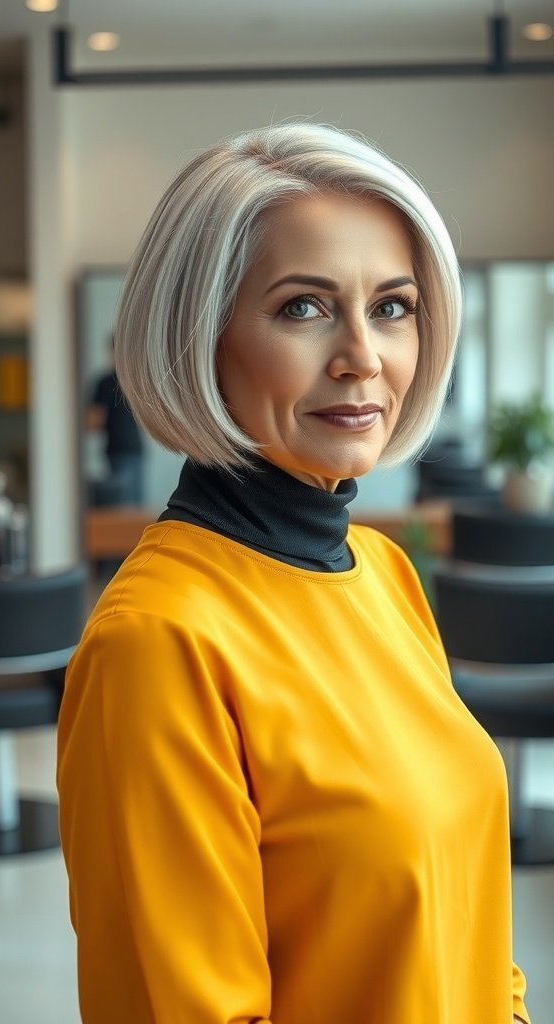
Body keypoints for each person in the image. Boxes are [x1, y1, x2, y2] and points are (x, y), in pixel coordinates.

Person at [57, 122, 530, 1024]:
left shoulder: (383, 573)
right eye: (303, 307)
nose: (363, 356)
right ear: (200, 335)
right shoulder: (158, 645)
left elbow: (465, 920)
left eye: (392, 306)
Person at [85, 337, 145, 504]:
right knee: (133, 507)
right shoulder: (134, 380)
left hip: (119, 451)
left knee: (122, 507)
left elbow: (94, 421)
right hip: (135, 449)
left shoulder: (105, 382)